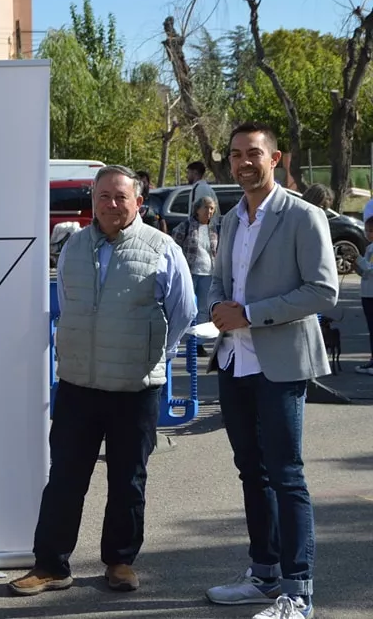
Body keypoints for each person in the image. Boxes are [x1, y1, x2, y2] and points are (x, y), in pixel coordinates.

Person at [9, 164, 196, 597]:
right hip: (78, 385)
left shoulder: (162, 247)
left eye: (120, 197)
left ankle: (120, 562)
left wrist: (157, 357)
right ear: (92, 200)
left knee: (128, 481)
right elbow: (68, 305)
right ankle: (51, 565)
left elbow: (184, 311)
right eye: (104, 196)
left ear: (138, 203)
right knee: (65, 479)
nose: (112, 204)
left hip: (135, 388)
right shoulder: (73, 246)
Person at [205, 122, 337, 619]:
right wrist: (217, 306)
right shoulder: (233, 218)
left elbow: (323, 291)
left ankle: (297, 591)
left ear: (275, 158)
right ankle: (263, 574)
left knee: (286, 474)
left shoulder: (302, 216)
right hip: (235, 360)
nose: (243, 163)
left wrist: (251, 314)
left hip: (280, 364)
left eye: (253, 154)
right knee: (251, 472)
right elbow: (221, 281)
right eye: (236, 154)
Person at [171, 196, 218, 355]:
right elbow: (174, 247)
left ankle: (199, 344)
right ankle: (179, 340)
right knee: (187, 307)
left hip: (208, 273)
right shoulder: (185, 226)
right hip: (190, 273)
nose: (209, 211)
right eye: (206, 208)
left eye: (212, 208)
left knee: (204, 309)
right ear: (197, 210)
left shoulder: (214, 229)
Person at [353, 217, 373, 374]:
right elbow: (364, 272)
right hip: (367, 293)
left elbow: (370, 269)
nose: (368, 234)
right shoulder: (369, 248)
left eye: (371, 231)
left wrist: (359, 259)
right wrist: (356, 264)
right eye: (367, 230)